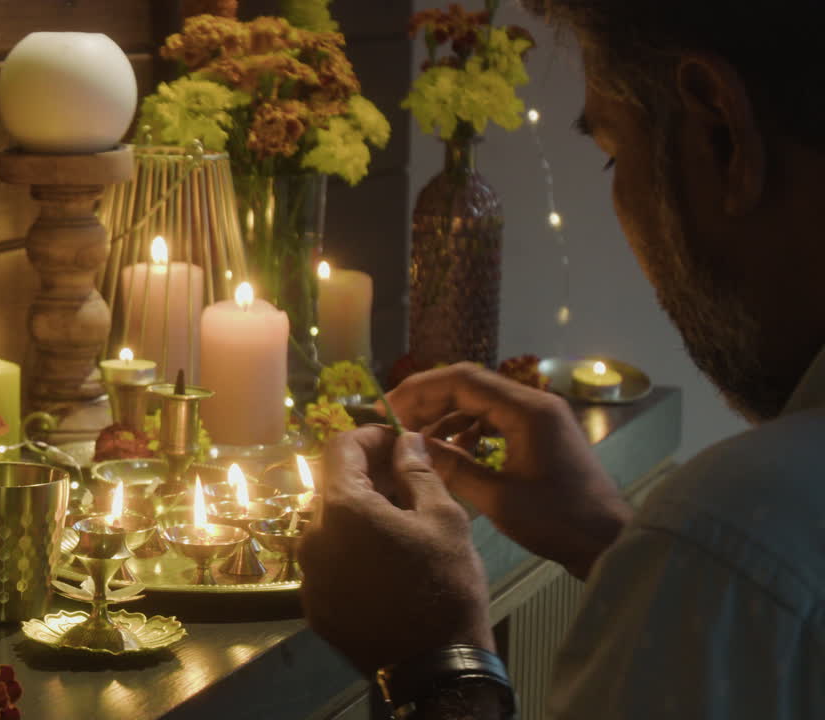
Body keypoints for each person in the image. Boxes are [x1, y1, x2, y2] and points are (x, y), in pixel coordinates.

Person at [298, 1, 825, 718]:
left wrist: (438, 663)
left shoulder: (742, 531)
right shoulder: (739, 552)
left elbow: (748, 579)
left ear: (721, 133)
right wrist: (612, 542)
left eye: (614, 152)